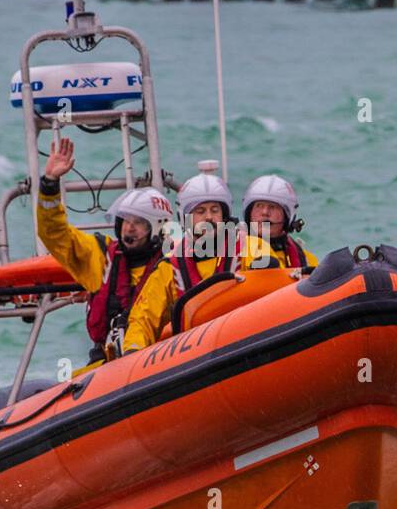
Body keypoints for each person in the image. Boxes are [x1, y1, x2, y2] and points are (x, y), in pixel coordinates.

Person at [37, 137, 173, 362]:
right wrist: (50, 183)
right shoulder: (100, 257)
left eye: (138, 222)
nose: (129, 228)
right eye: (125, 221)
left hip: (162, 360)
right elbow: (54, 234)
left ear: (157, 228)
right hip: (107, 365)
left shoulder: (173, 265)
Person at [121, 170, 276, 353]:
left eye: (215, 210)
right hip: (193, 357)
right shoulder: (170, 267)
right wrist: (133, 350)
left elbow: (273, 294)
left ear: (224, 215)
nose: (208, 217)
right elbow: (143, 318)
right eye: (200, 211)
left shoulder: (252, 248)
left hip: (245, 342)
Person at [241, 174, 317, 269]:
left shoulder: (306, 259)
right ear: (249, 212)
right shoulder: (232, 250)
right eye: (259, 206)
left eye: (273, 207)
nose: (265, 212)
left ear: (286, 217)